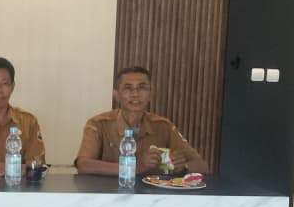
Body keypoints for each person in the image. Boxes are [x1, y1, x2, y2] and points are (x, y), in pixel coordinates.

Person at [74, 66, 208, 176]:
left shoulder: (163, 126)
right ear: (116, 95)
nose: (135, 94)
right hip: (109, 195)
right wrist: (136, 167)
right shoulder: (98, 124)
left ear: (150, 94)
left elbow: (202, 166)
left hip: (152, 196)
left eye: (142, 87)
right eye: (128, 88)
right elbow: (83, 165)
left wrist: (183, 166)